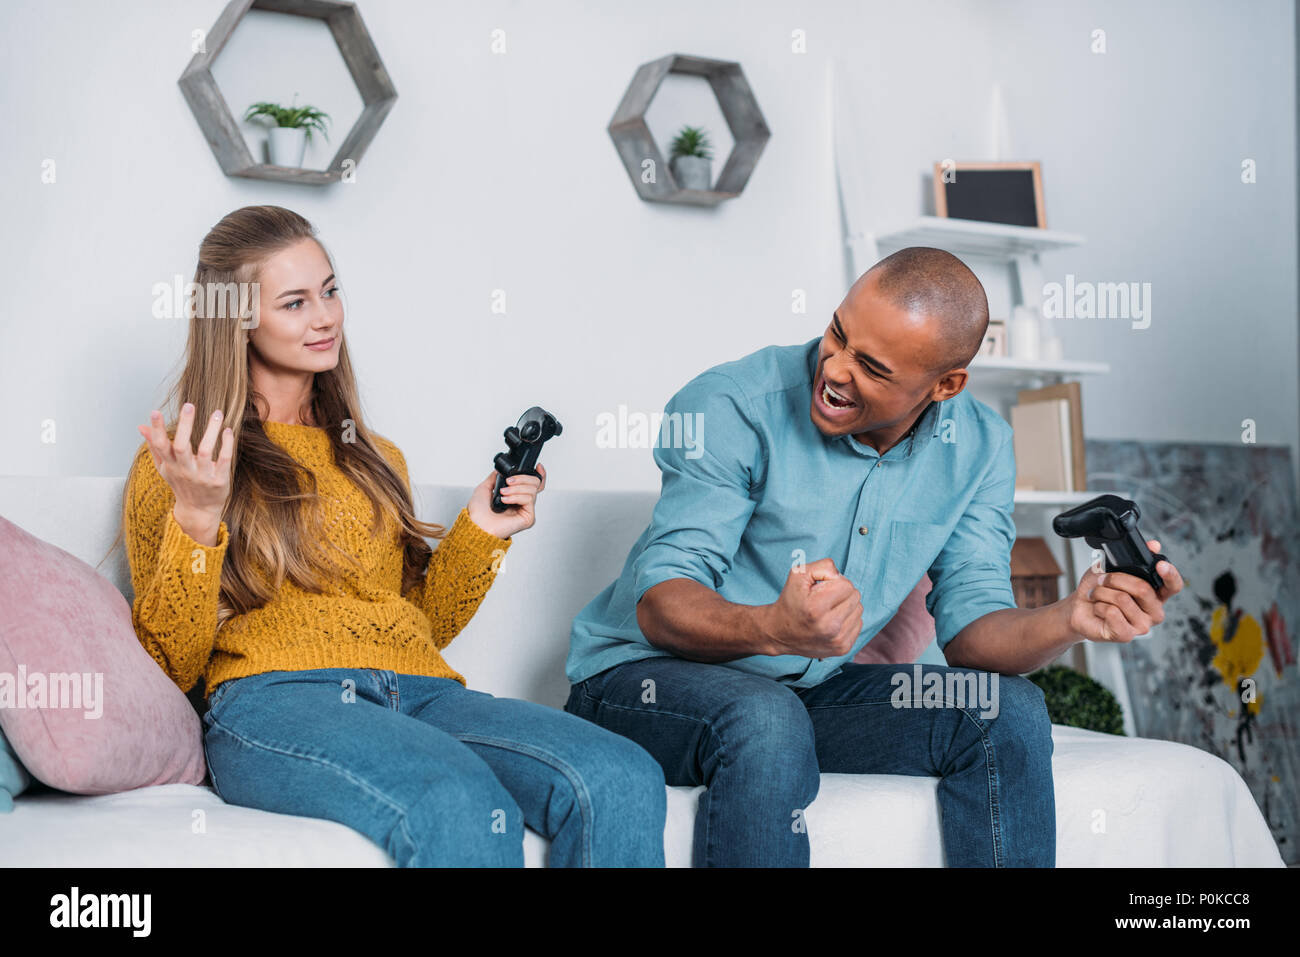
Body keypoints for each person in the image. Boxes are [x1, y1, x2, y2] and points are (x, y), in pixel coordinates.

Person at [563, 246, 1185, 867]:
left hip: (807, 694)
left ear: (946, 385)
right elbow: (662, 601)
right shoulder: (731, 405)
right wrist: (773, 629)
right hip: (639, 683)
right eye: (837, 333)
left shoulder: (980, 447)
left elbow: (971, 634)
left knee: (1006, 710)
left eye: (871, 366)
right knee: (765, 717)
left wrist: (1070, 618)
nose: (834, 369)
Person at [123, 205, 665, 867]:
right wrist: (198, 518)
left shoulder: (375, 457)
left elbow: (418, 623)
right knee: (456, 799)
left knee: (621, 776)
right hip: (277, 698)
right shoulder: (184, 461)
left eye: (329, 290)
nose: (325, 317)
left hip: (422, 689)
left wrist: (480, 532)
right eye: (294, 302)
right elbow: (168, 662)